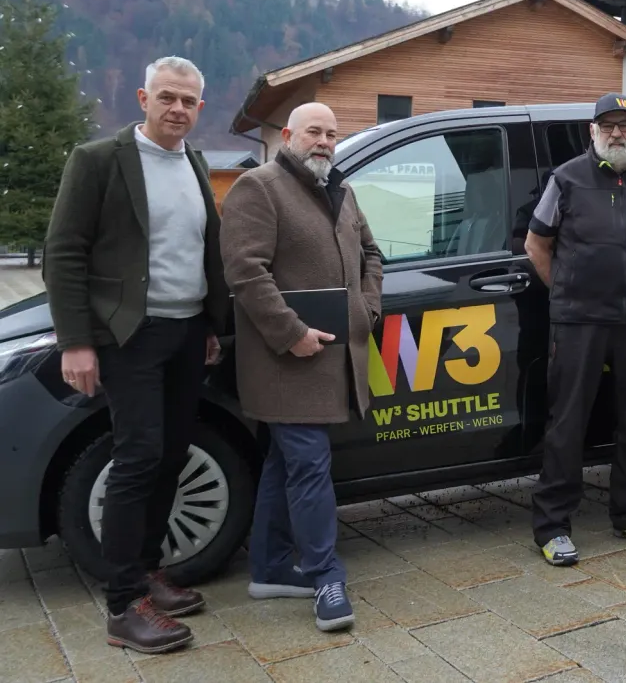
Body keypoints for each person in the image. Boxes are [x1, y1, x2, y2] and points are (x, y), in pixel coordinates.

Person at [43, 56, 228, 654]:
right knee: (139, 457)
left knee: (172, 454)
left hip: (185, 332)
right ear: (143, 97)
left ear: (200, 109)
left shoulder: (195, 163)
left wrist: (209, 324)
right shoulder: (98, 161)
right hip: (129, 337)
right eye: (167, 97)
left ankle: (148, 572)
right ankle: (123, 607)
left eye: (189, 102)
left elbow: (202, 249)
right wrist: (76, 340)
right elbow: (65, 252)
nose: (178, 109)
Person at [219, 102, 383, 630]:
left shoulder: (342, 189)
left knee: (284, 465)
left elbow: (373, 256)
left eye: (332, 134)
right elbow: (245, 272)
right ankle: (324, 574)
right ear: (288, 134)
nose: (325, 141)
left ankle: (269, 569)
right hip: (285, 361)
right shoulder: (259, 188)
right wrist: (291, 333)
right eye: (314, 131)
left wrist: (368, 306)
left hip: (333, 356)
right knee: (309, 464)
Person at [527, 93, 626, 565]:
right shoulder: (566, 178)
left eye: (624, 125)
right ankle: (552, 526)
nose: (616, 133)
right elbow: (536, 244)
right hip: (580, 321)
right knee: (568, 422)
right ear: (592, 131)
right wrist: (567, 293)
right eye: (607, 125)